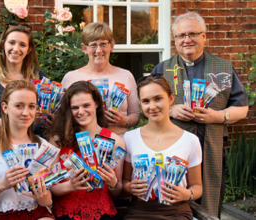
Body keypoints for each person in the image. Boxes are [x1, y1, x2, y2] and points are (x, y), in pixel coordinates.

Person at [151, 11, 249, 217]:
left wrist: (218, 117)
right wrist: (171, 109)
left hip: (210, 146)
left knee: (209, 201)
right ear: (175, 40)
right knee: (171, 200)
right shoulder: (162, 69)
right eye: (181, 35)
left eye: (193, 34)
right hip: (173, 147)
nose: (187, 40)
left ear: (204, 36)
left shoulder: (223, 67)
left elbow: (242, 108)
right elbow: (148, 106)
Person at [0, 80, 54, 219]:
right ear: (5, 107)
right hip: (0, 215)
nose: (26, 113)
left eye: (31, 106)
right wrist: (2, 185)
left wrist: (44, 198)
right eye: (19, 106)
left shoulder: (43, 146)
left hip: (36, 213)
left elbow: (48, 198)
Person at [123, 75, 202, 220]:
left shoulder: (190, 140)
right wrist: (129, 187)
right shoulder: (129, 138)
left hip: (176, 213)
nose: (152, 107)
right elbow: (124, 182)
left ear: (171, 99)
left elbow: (197, 186)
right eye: (146, 101)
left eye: (158, 98)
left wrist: (187, 194)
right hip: (138, 213)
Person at [49, 81, 126, 220]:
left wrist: (113, 183)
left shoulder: (115, 142)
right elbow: (51, 186)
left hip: (103, 214)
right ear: (68, 110)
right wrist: (70, 186)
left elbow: (118, 190)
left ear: (97, 103)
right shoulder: (58, 141)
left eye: (86, 105)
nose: (81, 112)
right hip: (66, 214)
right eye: (75, 107)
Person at [61, 22, 140, 137]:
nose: (98, 50)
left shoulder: (126, 76)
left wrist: (125, 121)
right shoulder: (71, 78)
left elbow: (135, 114)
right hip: (83, 145)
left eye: (103, 44)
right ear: (84, 48)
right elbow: (63, 116)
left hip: (119, 145)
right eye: (93, 45)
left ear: (111, 46)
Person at [0, 23, 47, 134]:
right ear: (3, 44)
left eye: (22, 45)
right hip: (4, 147)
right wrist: (17, 120)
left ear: (29, 49)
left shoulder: (39, 77)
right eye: (12, 43)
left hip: (34, 146)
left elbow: (46, 117)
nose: (16, 49)